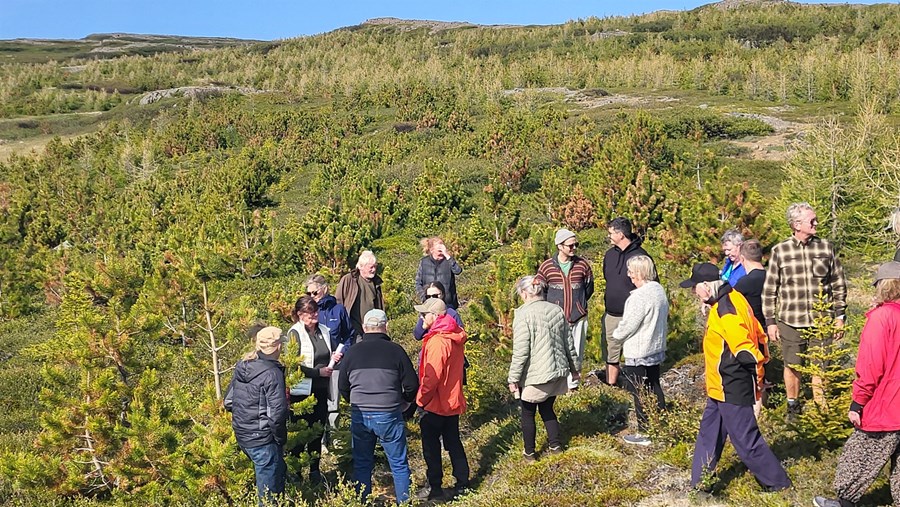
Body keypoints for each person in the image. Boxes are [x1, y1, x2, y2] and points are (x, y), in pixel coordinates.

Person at [680, 263, 790, 493]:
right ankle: (700, 484)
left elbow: (746, 351)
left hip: (732, 384)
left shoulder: (726, 310)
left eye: (695, 288)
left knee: (745, 440)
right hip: (719, 386)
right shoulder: (734, 297)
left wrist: (758, 381)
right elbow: (760, 335)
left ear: (706, 287)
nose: (693, 293)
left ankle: (778, 483)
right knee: (709, 433)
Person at [813, 261, 900, 507]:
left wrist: (858, 402)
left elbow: (871, 367)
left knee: (859, 456)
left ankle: (844, 503)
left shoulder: (882, 318)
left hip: (886, 405)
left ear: (884, 286)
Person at [762, 202, 848, 418]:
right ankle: (793, 406)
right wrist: (770, 321)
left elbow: (839, 283)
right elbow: (770, 288)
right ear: (796, 224)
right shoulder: (780, 251)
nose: (816, 223)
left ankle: (821, 408)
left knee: (821, 365)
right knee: (793, 365)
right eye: (812, 220)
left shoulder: (825, 248)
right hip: (791, 320)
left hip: (822, 320)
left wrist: (840, 316)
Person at [339, 309, 418, 504]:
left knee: (362, 464)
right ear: (386, 327)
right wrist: (405, 402)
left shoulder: (352, 352)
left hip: (360, 413)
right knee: (398, 464)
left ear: (365, 328)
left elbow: (342, 386)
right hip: (389, 412)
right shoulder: (396, 350)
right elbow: (412, 385)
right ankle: (404, 503)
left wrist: (355, 402)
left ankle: (361, 502)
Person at [508, 275, 580, 461]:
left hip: (535, 374)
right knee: (548, 408)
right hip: (557, 370)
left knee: (528, 412)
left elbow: (521, 352)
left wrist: (513, 378)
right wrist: (574, 368)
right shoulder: (556, 310)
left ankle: (529, 453)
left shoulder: (523, 314)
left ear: (524, 293)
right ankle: (556, 446)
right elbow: (568, 343)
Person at [224, 326, 288, 506]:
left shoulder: (243, 365)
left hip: (243, 435)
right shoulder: (272, 373)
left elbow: (229, 401)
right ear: (278, 347)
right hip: (262, 440)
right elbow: (277, 415)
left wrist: (246, 419)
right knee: (268, 498)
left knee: (274, 480)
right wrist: (281, 440)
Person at [413, 297, 470, 501]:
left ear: (434, 316)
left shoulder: (438, 340)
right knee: (454, 442)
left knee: (431, 447)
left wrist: (421, 400)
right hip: (452, 400)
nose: (420, 318)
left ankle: (434, 487)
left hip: (435, 403)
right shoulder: (454, 334)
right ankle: (463, 484)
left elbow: (432, 377)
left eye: (423, 314)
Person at [611, 255, 668, 446]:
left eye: (631, 272)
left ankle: (645, 432)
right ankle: (660, 425)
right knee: (655, 385)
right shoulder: (658, 290)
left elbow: (629, 325)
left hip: (639, 349)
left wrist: (616, 335)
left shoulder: (638, 297)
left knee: (639, 391)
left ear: (638, 273)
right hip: (656, 346)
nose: (629, 276)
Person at [287, 296, 342, 484]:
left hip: (321, 390)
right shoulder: (294, 333)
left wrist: (335, 357)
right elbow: (293, 365)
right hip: (301, 392)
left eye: (316, 311)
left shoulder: (324, 331)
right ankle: (295, 471)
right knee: (300, 432)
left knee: (317, 432)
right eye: (311, 313)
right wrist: (318, 373)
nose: (315, 315)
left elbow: (329, 352)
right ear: (301, 315)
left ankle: (314, 471)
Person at [536, 228, 594, 390]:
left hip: (578, 317)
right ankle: (556, 384)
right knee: (555, 351)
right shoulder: (547, 267)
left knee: (576, 352)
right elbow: (541, 292)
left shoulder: (583, 265)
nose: (574, 248)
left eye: (576, 244)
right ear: (559, 246)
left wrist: (579, 305)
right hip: (556, 318)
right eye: (570, 245)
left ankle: (573, 386)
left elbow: (589, 288)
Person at [602, 217, 652, 386]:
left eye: (611, 233)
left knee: (636, 353)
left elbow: (651, 286)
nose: (608, 236)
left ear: (621, 234)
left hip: (634, 316)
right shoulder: (609, 255)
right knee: (612, 353)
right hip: (612, 314)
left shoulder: (640, 257)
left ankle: (639, 387)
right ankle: (611, 385)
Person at [306, 274, 353, 428]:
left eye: (315, 293)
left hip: (335, 365)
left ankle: (335, 441)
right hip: (314, 365)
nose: (312, 297)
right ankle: (318, 440)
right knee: (315, 403)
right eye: (309, 293)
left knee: (333, 406)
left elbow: (348, 335)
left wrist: (342, 352)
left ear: (324, 289)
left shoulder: (338, 310)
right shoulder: (308, 313)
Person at [733, 239, 770, 416]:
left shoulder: (743, 284)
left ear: (742, 258)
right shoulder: (772, 278)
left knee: (754, 374)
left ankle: (756, 415)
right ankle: (769, 408)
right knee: (765, 369)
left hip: (752, 332)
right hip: (771, 328)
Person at [336, 250, 385, 343]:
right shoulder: (349, 280)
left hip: (372, 328)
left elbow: (379, 306)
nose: (374, 270)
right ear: (361, 266)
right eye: (371, 267)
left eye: (375, 267)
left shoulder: (376, 282)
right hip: (353, 328)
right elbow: (338, 301)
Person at [415, 237, 463, 309]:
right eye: (439, 250)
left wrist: (447, 256)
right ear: (432, 250)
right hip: (429, 304)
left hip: (448, 304)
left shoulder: (449, 261)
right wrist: (424, 297)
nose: (441, 252)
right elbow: (418, 282)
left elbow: (458, 271)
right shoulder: (424, 262)